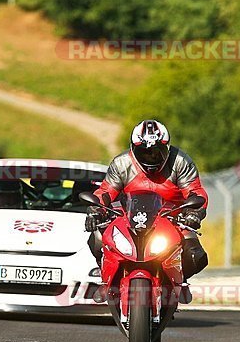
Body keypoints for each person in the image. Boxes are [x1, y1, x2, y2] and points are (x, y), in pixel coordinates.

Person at [85, 119, 209, 303]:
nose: (151, 157)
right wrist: (96, 210)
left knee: (195, 255)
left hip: (172, 217)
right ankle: (107, 282)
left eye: (157, 152)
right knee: (96, 238)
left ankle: (179, 283)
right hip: (129, 217)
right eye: (144, 152)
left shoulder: (180, 162)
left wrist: (194, 213)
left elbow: (195, 191)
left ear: (167, 148)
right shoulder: (121, 164)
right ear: (133, 149)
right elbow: (105, 192)